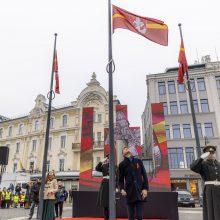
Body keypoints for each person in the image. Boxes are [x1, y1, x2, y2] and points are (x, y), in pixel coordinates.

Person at [190, 145, 220, 220]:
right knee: (211, 209)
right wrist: (201, 158)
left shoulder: (219, 165)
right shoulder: (203, 164)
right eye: (209, 153)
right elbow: (192, 167)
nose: (211, 154)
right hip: (210, 190)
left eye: (213, 152)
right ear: (206, 155)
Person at [119, 147, 149, 220]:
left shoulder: (138, 161)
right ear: (123, 154)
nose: (127, 149)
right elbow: (120, 180)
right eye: (125, 149)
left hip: (140, 192)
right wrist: (122, 189)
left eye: (127, 148)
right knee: (131, 217)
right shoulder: (122, 164)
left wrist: (145, 189)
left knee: (139, 216)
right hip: (129, 193)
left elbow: (144, 176)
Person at [95, 154, 110, 220]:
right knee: (105, 203)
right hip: (105, 184)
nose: (108, 159)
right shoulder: (103, 166)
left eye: (109, 158)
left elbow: (117, 177)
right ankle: (106, 218)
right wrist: (101, 162)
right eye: (107, 158)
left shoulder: (114, 166)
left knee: (112, 204)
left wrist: (116, 187)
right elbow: (97, 168)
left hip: (111, 183)